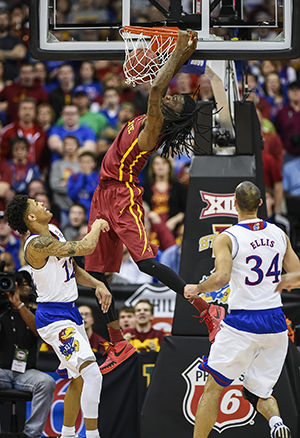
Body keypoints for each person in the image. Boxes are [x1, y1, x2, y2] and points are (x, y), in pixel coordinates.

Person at [85, 30, 225, 374]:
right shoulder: (153, 117)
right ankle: (117, 341)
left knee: (146, 263)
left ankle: (205, 308)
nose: (174, 97)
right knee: (94, 274)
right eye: (175, 97)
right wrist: (177, 57)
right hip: (102, 193)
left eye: (179, 101)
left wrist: (177, 54)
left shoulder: (155, 125)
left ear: (175, 115)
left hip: (121, 195)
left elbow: (159, 87)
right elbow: (161, 87)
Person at [184, 181, 300, 438]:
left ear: (233, 204)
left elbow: (222, 278)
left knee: (213, 388)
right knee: (260, 392)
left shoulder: (227, 237)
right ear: (261, 203)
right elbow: (298, 275)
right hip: (276, 323)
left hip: (242, 323)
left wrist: (198, 288)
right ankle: (276, 423)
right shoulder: (279, 233)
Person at [5, 194, 112, 438]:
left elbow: (71, 268)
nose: (42, 203)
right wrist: (96, 225)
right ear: (31, 217)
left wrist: (96, 284)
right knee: (92, 373)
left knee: (78, 378)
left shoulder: (54, 230)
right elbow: (85, 247)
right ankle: (93, 435)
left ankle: (67, 434)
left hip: (70, 313)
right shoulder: (35, 245)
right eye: (36, 204)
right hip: (54, 318)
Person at [0, 261, 56, 438]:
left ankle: (31, 434)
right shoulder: (1, 309)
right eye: (20, 282)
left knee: (46, 382)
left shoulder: (39, 311)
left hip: (26, 373)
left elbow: (40, 332)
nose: (24, 286)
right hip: (2, 371)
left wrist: (20, 306)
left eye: (27, 283)